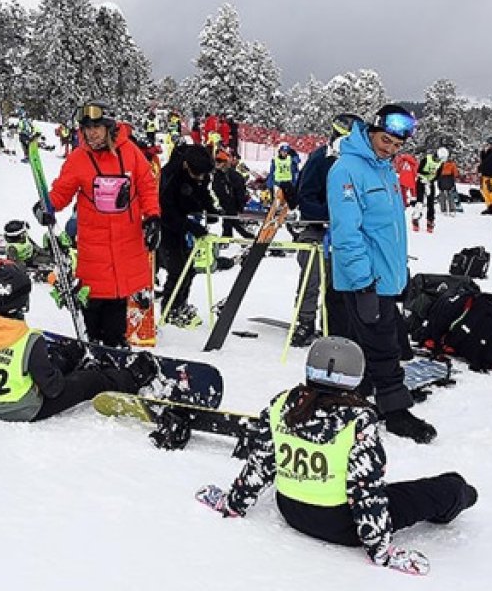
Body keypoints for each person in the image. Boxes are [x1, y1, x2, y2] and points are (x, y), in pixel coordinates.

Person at [194, 336, 477, 577]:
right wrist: (381, 551)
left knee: (406, 495)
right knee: (446, 489)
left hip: (291, 509)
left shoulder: (282, 404)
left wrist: (231, 504)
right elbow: (365, 490)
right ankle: (462, 495)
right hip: (342, 524)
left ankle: (453, 495)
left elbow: (261, 462)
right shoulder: (358, 420)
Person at [327, 104, 436, 443]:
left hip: (386, 276)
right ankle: (395, 411)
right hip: (364, 279)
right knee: (384, 345)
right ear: (371, 130)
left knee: (366, 341)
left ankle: (358, 397)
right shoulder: (346, 170)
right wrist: (363, 284)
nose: (390, 148)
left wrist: (399, 274)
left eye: (397, 145)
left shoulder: (385, 170)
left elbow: (388, 228)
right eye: (386, 140)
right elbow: (347, 233)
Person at [0, 264, 159, 422]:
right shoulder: (28, 340)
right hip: (23, 409)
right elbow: (53, 388)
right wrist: (65, 369)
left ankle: (68, 356)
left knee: (43, 364)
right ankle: (133, 377)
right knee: (87, 380)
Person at [35, 101, 161, 348]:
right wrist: (45, 206)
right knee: (93, 307)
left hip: (126, 245)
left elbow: (147, 186)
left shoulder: (130, 152)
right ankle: (93, 353)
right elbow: (62, 191)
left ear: (109, 127)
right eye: (86, 128)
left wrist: (153, 216)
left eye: (97, 127)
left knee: (116, 307)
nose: (91, 133)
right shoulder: (78, 159)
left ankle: (114, 355)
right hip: (95, 249)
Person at [290, 113, 359, 347]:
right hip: (318, 228)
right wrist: (328, 215)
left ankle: (333, 324)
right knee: (311, 277)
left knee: (338, 282)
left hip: (345, 232)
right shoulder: (319, 159)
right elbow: (305, 197)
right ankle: (305, 322)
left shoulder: (357, 164)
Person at [157, 144, 219, 328]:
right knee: (177, 270)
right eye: (197, 174)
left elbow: (203, 190)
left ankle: (180, 303)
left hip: (187, 221)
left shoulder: (202, 170)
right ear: (186, 166)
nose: (200, 178)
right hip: (167, 225)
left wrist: (210, 209)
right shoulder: (170, 175)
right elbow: (165, 210)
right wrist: (187, 225)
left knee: (189, 269)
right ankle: (169, 309)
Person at [211, 149, 253, 239]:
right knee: (228, 221)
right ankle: (228, 237)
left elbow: (240, 190)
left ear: (225, 162)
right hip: (224, 203)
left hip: (232, 203)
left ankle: (246, 236)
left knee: (231, 220)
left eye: (220, 161)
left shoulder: (232, 175)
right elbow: (216, 188)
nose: (217, 163)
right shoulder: (217, 174)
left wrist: (240, 204)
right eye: (216, 161)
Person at [413, 147, 442, 233]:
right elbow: (419, 171)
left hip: (430, 182)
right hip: (421, 181)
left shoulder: (441, 163)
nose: (437, 160)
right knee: (420, 202)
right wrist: (424, 177)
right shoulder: (427, 159)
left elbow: (438, 175)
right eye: (437, 158)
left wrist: (430, 180)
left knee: (431, 202)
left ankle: (430, 220)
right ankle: (415, 218)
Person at [435, 148, 459, 216]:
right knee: (450, 195)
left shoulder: (438, 163)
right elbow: (455, 173)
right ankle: (452, 209)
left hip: (441, 179)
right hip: (449, 180)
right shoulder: (451, 163)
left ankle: (443, 209)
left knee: (442, 194)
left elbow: (435, 172)